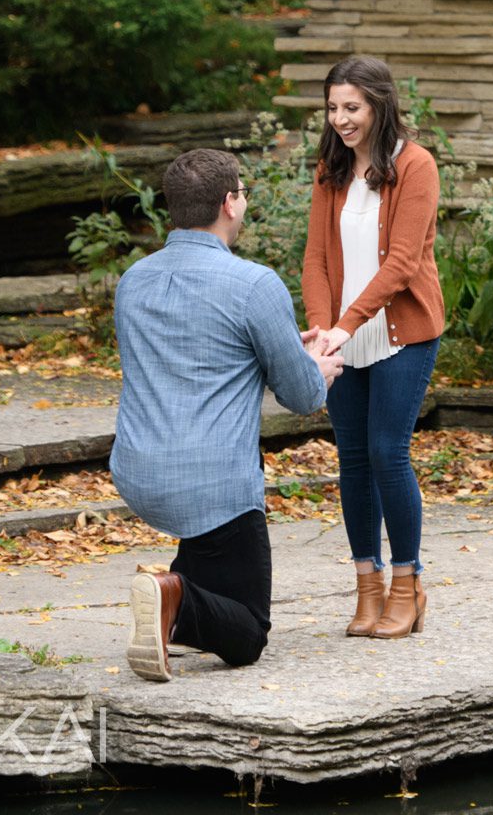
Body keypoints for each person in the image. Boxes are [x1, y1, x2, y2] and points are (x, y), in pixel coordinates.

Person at [110, 148, 345, 683]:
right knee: (247, 635)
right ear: (230, 203)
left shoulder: (133, 282)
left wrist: (279, 345)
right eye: (242, 191)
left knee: (210, 540)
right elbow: (304, 395)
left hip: (139, 471)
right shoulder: (253, 285)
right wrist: (316, 363)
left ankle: (172, 601)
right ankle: (173, 598)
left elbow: (194, 358)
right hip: (212, 481)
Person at [301, 54, 444, 640]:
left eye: (352, 108)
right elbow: (314, 258)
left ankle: (407, 587)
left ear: (379, 105)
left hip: (400, 333)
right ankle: (368, 587)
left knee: (388, 453)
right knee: (353, 459)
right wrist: (320, 327)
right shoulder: (329, 171)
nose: (341, 119)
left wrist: (347, 323)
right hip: (340, 339)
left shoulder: (415, 166)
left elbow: (402, 263)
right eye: (333, 108)